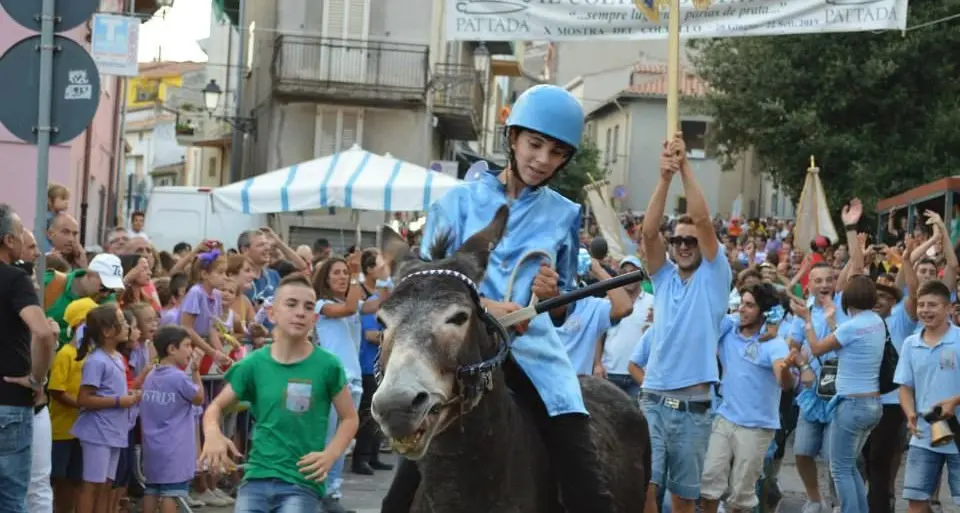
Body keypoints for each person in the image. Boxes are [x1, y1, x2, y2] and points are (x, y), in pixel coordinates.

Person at [381, 84, 617, 513]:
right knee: (399, 498)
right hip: (460, 353)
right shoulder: (455, 202)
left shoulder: (565, 213)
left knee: (585, 479)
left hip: (536, 356)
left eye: (557, 152)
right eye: (535, 144)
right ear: (512, 138)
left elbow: (559, 313)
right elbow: (425, 286)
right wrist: (489, 309)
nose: (543, 160)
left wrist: (553, 295)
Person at [199, 274, 359, 512]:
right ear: (272, 314)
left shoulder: (328, 365)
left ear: (314, 319)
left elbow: (349, 417)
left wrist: (331, 454)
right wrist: (212, 433)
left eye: (308, 307)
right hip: (256, 478)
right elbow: (215, 407)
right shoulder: (253, 364)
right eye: (291, 304)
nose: (300, 312)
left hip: (302, 482)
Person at [638, 133, 732, 513]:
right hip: (654, 399)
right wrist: (663, 177)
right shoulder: (662, 277)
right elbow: (647, 233)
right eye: (677, 240)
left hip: (694, 406)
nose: (683, 245)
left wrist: (686, 166)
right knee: (646, 486)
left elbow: (704, 220)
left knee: (683, 499)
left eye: (690, 241)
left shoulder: (714, 275)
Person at [700, 282, 793, 513]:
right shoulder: (729, 328)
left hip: (757, 427)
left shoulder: (774, 343)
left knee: (741, 496)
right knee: (708, 483)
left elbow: (785, 382)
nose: (742, 309)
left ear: (764, 311)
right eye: (742, 303)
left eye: (750, 305)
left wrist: (786, 370)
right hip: (724, 418)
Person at [0, 203, 58, 513]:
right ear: (8, 241)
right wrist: (37, 379)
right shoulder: (13, 278)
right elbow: (43, 333)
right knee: (11, 500)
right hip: (8, 403)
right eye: (20, 233)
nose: (25, 239)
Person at [896, 280, 960, 513]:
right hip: (923, 434)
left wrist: (955, 401)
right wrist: (910, 413)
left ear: (948, 308)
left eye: (932, 305)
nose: (925, 310)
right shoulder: (910, 344)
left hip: (958, 433)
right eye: (921, 305)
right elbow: (904, 386)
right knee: (916, 501)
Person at [70, 304, 141, 513]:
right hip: (98, 432)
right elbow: (84, 398)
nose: (127, 326)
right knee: (91, 485)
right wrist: (120, 401)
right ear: (107, 331)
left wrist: (130, 397)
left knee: (106, 484)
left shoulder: (117, 357)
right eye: (123, 322)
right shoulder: (96, 360)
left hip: (113, 430)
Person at [140, 325, 204, 513]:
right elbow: (199, 397)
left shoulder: (151, 375)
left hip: (153, 446)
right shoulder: (178, 378)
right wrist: (196, 372)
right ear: (171, 349)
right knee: (172, 492)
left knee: (152, 489)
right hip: (175, 448)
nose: (190, 350)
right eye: (187, 345)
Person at [48, 298, 99, 513]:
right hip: (62, 430)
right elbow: (56, 390)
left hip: (82, 430)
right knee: (59, 478)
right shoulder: (66, 354)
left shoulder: (93, 355)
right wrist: (82, 404)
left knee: (77, 478)